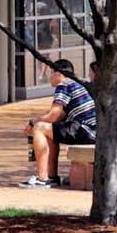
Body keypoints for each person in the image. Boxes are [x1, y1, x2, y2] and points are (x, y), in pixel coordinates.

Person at [21, 59, 96, 189]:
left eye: (51, 72)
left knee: (39, 128)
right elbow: (58, 117)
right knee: (49, 130)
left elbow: (53, 115)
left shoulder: (64, 85)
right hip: (94, 131)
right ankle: (51, 177)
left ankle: (42, 178)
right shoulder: (78, 84)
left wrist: (32, 123)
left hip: (86, 130)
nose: (50, 76)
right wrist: (40, 121)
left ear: (59, 73)